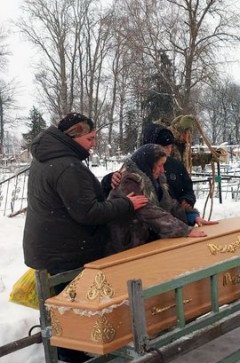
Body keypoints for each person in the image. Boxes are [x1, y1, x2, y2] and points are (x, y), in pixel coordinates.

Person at [23, 112, 148, 274]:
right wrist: (127, 204)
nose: (94, 144)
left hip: (48, 248)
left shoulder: (47, 157)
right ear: (72, 136)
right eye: (90, 139)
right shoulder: (68, 166)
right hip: (66, 255)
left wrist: (106, 183)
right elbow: (88, 212)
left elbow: (74, 197)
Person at [108, 144, 211, 252]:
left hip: (145, 243)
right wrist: (185, 230)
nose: (163, 170)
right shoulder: (129, 182)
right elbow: (150, 212)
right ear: (148, 165)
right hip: (127, 246)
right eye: (160, 165)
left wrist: (192, 216)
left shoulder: (156, 180)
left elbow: (169, 204)